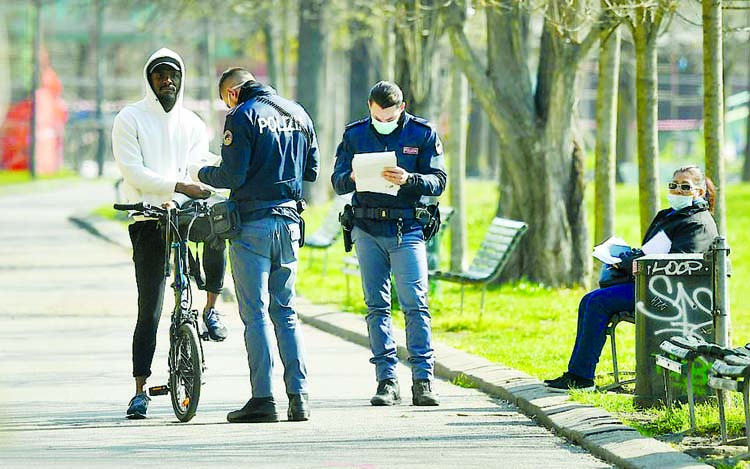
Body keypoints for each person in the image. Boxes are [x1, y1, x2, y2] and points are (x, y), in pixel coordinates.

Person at [112, 48, 229, 419]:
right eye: (160, 75)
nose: (168, 81)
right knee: (151, 307)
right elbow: (134, 172)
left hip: (185, 213)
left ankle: (210, 308)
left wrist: (215, 179)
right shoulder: (129, 118)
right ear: (149, 79)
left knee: (217, 229)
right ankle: (140, 389)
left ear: (181, 78)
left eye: (173, 75)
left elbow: (199, 163)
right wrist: (178, 185)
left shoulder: (193, 123)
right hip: (147, 218)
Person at [198, 67, 319, 423]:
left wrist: (200, 172)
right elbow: (310, 170)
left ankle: (263, 399)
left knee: (255, 314)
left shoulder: (242, 115)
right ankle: (300, 398)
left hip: (252, 225)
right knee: (286, 311)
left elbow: (231, 176)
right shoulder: (297, 111)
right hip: (290, 224)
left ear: (232, 93)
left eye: (224, 101)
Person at [545, 165, 719, 391]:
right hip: (647, 282)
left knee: (598, 302)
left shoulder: (698, 223)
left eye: (685, 187)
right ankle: (577, 373)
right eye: (674, 185)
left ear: (699, 192)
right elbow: (654, 250)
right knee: (588, 299)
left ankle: (582, 378)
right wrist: (627, 257)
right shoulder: (671, 215)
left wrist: (628, 263)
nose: (677, 191)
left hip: (667, 293)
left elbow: (677, 264)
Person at [331, 81, 447, 406]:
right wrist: (352, 177)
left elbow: (439, 180)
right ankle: (386, 380)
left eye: (390, 116)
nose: (384, 121)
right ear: (369, 107)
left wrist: (409, 179)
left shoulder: (421, 134)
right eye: (378, 116)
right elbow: (336, 180)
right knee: (376, 306)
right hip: (367, 227)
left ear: (402, 108)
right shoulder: (355, 135)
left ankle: (423, 381)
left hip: (406, 227)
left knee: (415, 304)